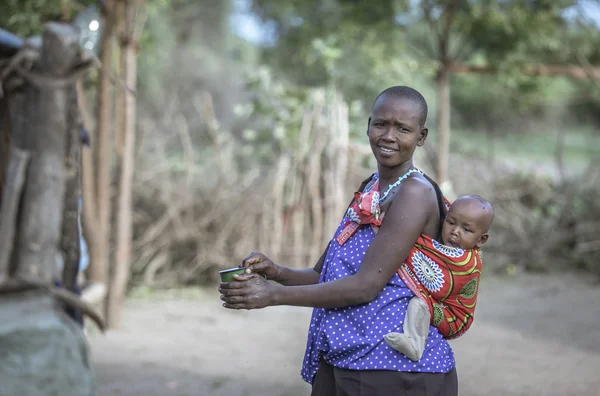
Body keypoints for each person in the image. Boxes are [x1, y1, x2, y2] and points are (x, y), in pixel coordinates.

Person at [219, 86, 458, 395]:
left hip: (393, 370)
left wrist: (272, 296)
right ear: (369, 125)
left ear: (421, 137)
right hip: (348, 359)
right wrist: (276, 273)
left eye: (403, 128)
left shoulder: (414, 193)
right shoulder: (370, 189)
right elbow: (323, 275)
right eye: (381, 124)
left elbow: (365, 286)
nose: (388, 135)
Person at [383, 194, 494, 361]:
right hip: (440, 306)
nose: (455, 232)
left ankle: (415, 344)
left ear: (481, 239)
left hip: (452, 317)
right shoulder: (450, 249)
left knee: (419, 302)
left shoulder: (466, 264)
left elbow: (436, 282)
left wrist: (404, 241)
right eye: (451, 222)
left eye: (466, 229)